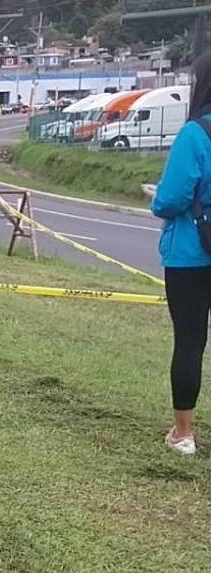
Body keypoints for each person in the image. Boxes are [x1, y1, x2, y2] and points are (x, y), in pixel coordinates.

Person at [152, 52, 211, 455]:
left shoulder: (195, 133)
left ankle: (183, 433)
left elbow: (169, 198)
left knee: (189, 341)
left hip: (192, 253)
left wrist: (157, 200)